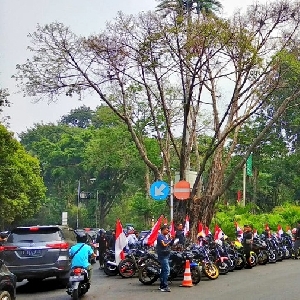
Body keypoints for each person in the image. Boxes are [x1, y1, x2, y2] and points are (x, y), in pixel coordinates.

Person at [156, 224, 175, 292]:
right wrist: (169, 239)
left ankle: (162, 285)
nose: (168, 231)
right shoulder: (160, 236)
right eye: (167, 230)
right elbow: (164, 245)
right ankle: (164, 286)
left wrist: (172, 239)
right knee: (167, 270)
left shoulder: (165, 237)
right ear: (163, 230)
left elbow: (170, 244)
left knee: (164, 271)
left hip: (166, 255)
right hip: (162, 256)